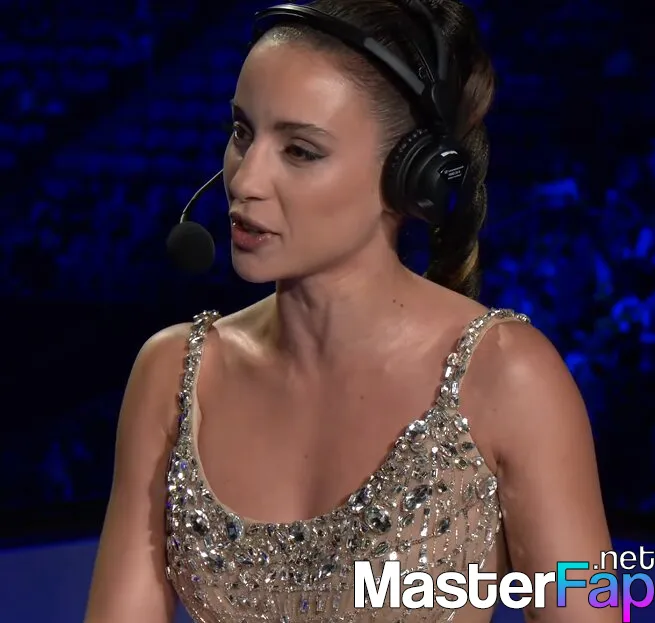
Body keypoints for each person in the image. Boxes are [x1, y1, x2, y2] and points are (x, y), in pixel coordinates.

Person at [84, 1, 617, 622]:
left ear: (411, 177)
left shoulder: (508, 377)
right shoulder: (175, 374)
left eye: (300, 151)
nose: (245, 180)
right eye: (242, 133)